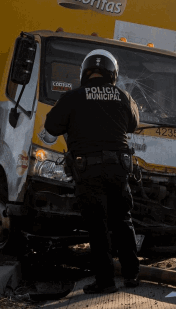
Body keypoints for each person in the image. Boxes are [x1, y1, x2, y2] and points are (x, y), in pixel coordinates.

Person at [44, 49, 141, 294]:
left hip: (88, 172)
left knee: (98, 227)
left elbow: (51, 126)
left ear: (85, 73)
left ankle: (105, 282)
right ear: (113, 74)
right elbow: (134, 124)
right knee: (123, 221)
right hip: (119, 169)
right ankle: (132, 276)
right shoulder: (123, 96)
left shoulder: (72, 97)